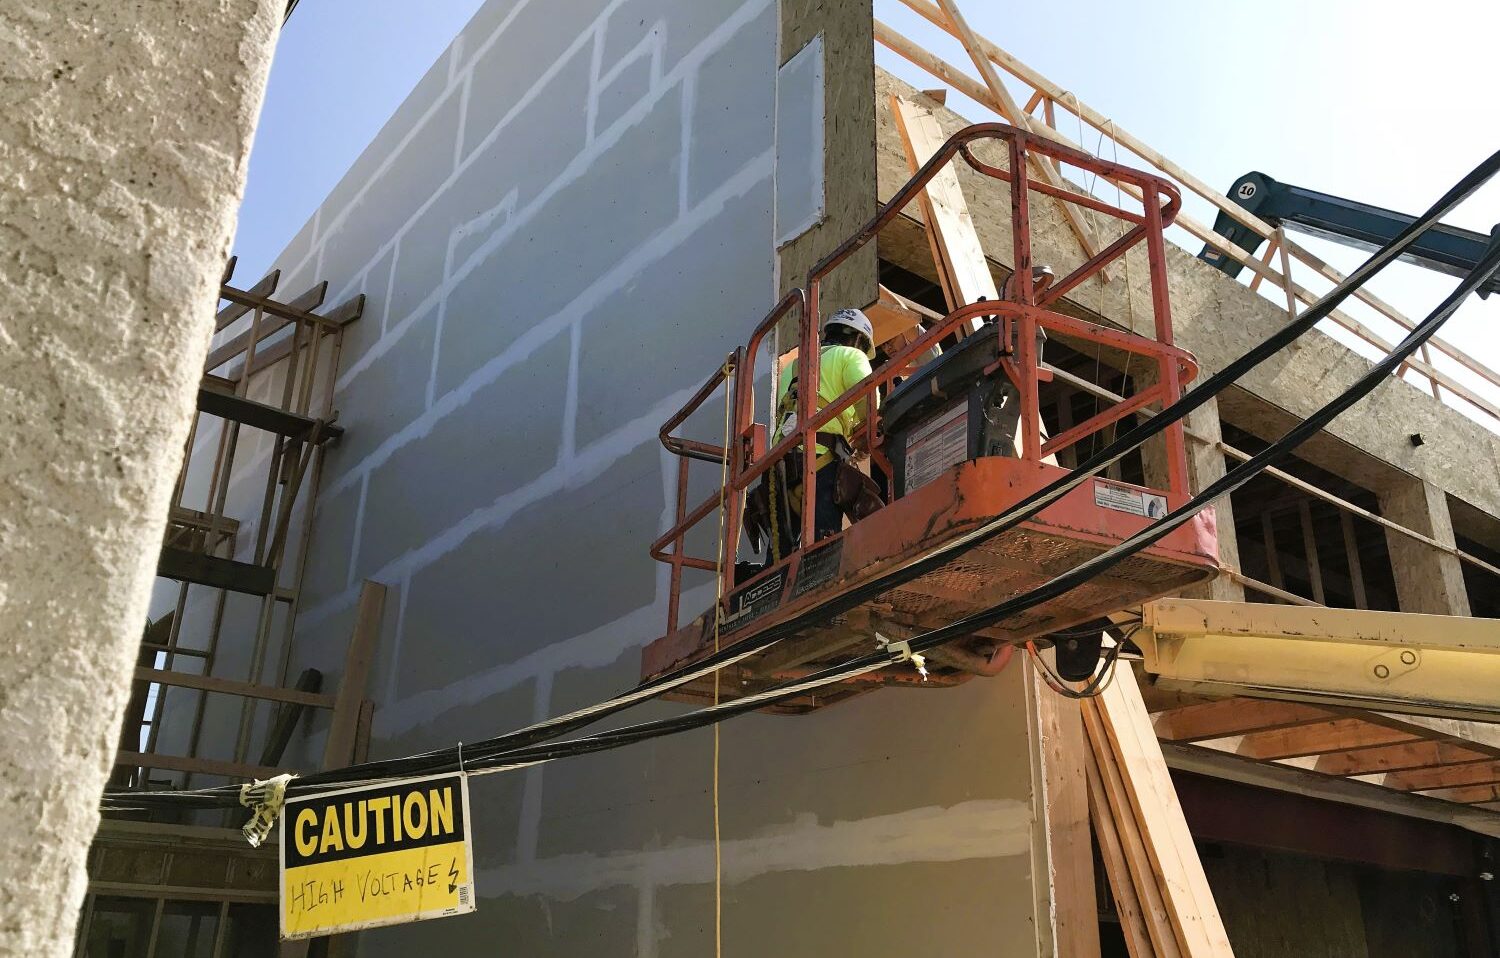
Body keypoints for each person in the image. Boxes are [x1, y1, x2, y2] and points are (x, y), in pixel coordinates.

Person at [771, 308, 882, 546]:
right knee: (823, 541)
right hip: (819, 460)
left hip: (781, 466)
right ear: (859, 340)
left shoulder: (796, 365)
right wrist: (867, 433)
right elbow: (868, 396)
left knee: (780, 552)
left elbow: (782, 410)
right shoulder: (851, 355)